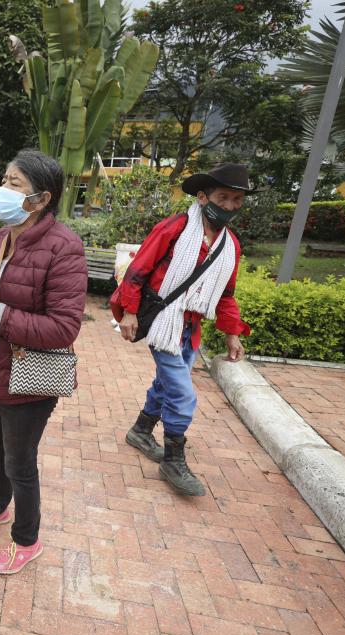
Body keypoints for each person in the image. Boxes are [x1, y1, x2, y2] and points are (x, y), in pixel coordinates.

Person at [0, 149, 88, 575]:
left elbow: (63, 328)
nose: (3, 190)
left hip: (29, 372)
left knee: (19, 460)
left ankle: (27, 540)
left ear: (41, 199)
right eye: (4, 180)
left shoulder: (64, 247)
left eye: (14, 184)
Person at [110, 163, 254, 496]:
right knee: (182, 393)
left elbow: (226, 294)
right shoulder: (174, 228)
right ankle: (173, 459)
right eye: (223, 197)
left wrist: (232, 333)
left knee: (166, 384)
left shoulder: (229, 245)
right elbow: (138, 270)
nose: (230, 205)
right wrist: (129, 313)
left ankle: (141, 430)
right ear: (203, 197)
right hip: (163, 322)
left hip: (190, 328)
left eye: (237, 200)